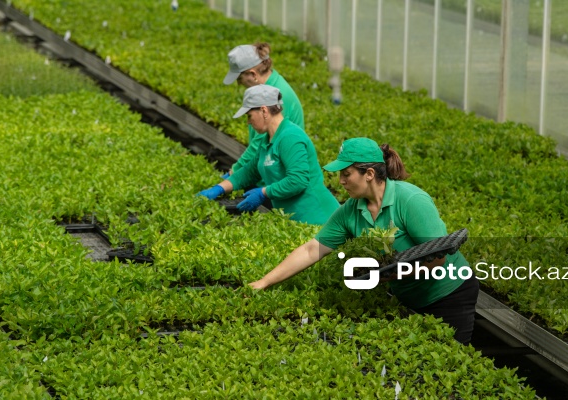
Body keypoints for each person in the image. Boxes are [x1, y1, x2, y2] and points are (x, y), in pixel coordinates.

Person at [248, 138, 480, 344]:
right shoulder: (351, 210)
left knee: (448, 362)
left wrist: (384, 274)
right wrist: (264, 282)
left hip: (450, 293)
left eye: (346, 174)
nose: (340, 181)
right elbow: (311, 250)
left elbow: (437, 258)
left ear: (369, 174)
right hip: (406, 295)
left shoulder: (410, 200)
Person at [197, 85, 339, 225]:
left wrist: (263, 192)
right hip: (294, 220)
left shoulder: (290, 137)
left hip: (317, 218)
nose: (248, 122)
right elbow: (249, 172)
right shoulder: (267, 140)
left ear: (264, 111)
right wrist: (219, 188)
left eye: (249, 116)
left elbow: (298, 180)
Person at [222, 42, 304, 179]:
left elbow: (258, 146)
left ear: (253, 75)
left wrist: (233, 174)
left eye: (240, 80)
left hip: (279, 177)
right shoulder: (268, 88)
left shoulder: (276, 95)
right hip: (269, 170)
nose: (240, 85)